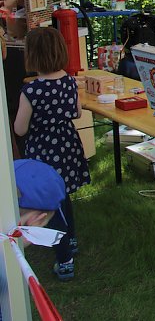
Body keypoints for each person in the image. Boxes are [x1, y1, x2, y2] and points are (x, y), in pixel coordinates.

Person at [13, 27, 89, 281]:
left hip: (44, 153)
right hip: (67, 146)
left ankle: (64, 259)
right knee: (63, 195)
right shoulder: (69, 81)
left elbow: (20, 129)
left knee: (50, 205)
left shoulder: (31, 91)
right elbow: (76, 112)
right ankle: (71, 239)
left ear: (32, 56)